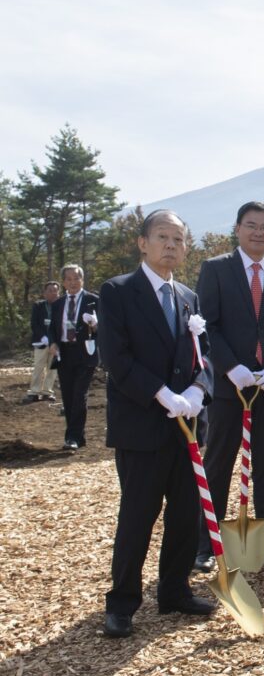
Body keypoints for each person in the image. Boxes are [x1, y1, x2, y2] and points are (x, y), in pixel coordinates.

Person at [98, 210, 213, 638]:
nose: (170, 245)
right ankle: (122, 602)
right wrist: (160, 393)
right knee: (138, 515)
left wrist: (200, 389)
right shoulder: (117, 292)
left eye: (178, 239)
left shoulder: (188, 297)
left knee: (185, 514)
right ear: (142, 243)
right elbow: (115, 356)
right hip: (142, 424)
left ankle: (175, 591)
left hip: (186, 426)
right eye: (162, 237)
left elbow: (205, 354)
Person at [195, 201, 264, 569]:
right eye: (252, 225)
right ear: (238, 229)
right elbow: (207, 323)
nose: (259, 232)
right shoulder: (216, 269)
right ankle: (206, 543)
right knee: (220, 460)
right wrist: (229, 367)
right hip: (230, 386)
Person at [48, 264, 99, 450]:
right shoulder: (58, 304)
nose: (73, 282)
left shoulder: (93, 300)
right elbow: (52, 328)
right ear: (63, 282)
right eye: (68, 279)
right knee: (68, 397)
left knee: (79, 395)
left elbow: (106, 327)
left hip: (85, 352)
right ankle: (77, 436)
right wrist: (52, 343)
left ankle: (72, 437)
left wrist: (95, 326)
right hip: (64, 354)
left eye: (76, 278)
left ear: (82, 280)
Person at [24, 281, 60, 403]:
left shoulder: (61, 306)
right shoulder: (38, 306)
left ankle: (47, 392)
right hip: (41, 342)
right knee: (39, 366)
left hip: (55, 343)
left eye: (55, 290)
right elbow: (34, 324)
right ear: (44, 293)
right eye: (50, 290)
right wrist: (44, 337)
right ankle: (34, 392)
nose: (53, 293)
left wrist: (55, 340)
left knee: (52, 368)